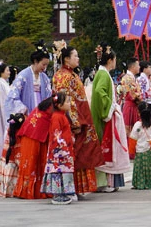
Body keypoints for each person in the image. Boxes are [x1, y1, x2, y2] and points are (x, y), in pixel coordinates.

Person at [53, 45, 103, 196]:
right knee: (73, 153)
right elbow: (65, 101)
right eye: (75, 56)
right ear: (67, 59)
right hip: (71, 120)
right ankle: (70, 188)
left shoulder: (71, 74)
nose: (78, 58)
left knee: (82, 153)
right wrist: (74, 122)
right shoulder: (63, 76)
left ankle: (77, 187)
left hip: (81, 117)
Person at [91, 43, 129, 193]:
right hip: (104, 117)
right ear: (110, 60)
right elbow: (100, 92)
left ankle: (106, 181)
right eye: (114, 59)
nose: (115, 62)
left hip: (106, 114)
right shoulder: (102, 74)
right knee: (105, 148)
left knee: (107, 148)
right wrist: (109, 109)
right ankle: (103, 182)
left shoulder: (103, 73)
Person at [13, 94, 54, 199]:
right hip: (34, 135)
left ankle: (30, 190)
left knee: (34, 163)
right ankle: (27, 191)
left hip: (33, 134)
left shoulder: (48, 103)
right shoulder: (53, 107)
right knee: (31, 163)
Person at [41, 91, 76, 205]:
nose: (69, 103)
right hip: (59, 152)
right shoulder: (57, 117)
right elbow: (57, 134)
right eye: (66, 101)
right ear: (59, 105)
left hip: (64, 149)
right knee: (58, 171)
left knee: (63, 171)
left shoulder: (62, 116)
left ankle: (64, 193)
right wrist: (62, 148)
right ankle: (58, 195)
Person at [5, 41, 52, 116]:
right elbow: (13, 96)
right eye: (43, 65)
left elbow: (49, 95)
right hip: (27, 111)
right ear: (36, 61)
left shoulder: (44, 77)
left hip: (42, 111)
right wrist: (22, 108)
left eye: (46, 65)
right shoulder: (23, 76)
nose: (45, 68)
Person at [0, 112, 25, 197]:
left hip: (6, 157)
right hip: (14, 158)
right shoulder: (20, 133)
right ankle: (13, 191)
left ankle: (3, 190)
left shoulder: (10, 130)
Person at [129, 102, 151, 190]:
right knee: (150, 168)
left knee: (140, 169)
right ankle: (150, 183)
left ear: (139, 113)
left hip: (140, 151)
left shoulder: (137, 125)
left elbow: (133, 139)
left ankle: (140, 184)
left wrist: (131, 152)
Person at [120, 57, 142, 138]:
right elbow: (132, 95)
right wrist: (140, 98)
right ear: (133, 67)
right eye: (138, 65)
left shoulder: (130, 77)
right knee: (130, 132)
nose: (139, 67)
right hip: (130, 107)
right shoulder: (128, 78)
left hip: (133, 106)